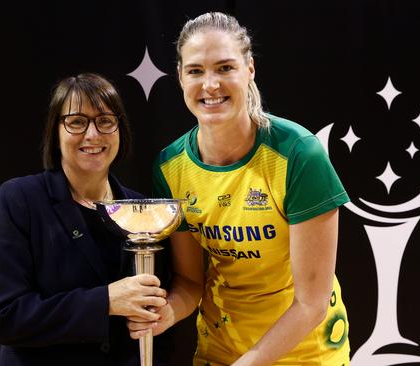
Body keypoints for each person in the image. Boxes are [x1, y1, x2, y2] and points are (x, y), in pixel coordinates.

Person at [128, 12, 350, 365]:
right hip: (219, 350)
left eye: (225, 68)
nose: (210, 84)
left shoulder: (298, 154)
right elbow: (190, 281)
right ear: (180, 78)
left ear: (250, 70)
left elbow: (312, 304)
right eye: (196, 70)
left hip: (304, 353)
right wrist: (167, 312)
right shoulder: (170, 167)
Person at [0, 73, 169, 365]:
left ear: (121, 129)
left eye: (105, 120)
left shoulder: (143, 211)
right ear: (55, 132)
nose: (93, 135)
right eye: (77, 122)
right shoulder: (20, 200)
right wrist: (105, 301)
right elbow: (5, 317)